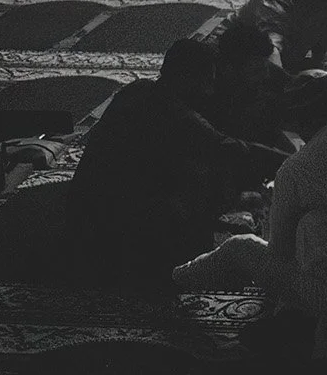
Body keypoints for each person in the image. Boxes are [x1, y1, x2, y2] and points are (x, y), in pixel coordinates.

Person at [173, 70, 327, 361]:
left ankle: (176, 279)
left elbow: (278, 254)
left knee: (240, 247)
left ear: (299, 122)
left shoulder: (298, 168)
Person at [66, 38, 290, 287]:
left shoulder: (137, 90)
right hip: (111, 223)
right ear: (190, 78)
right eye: (207, 78)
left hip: (84, 206)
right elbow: (230, 149)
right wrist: (294, 162)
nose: (211, 86)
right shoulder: (174, 115)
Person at [207, 20, 295, 153]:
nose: (264, 75)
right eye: (256, 71)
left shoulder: (266, 70)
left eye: (265, 67)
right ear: (229, 69)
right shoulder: (209, 95)